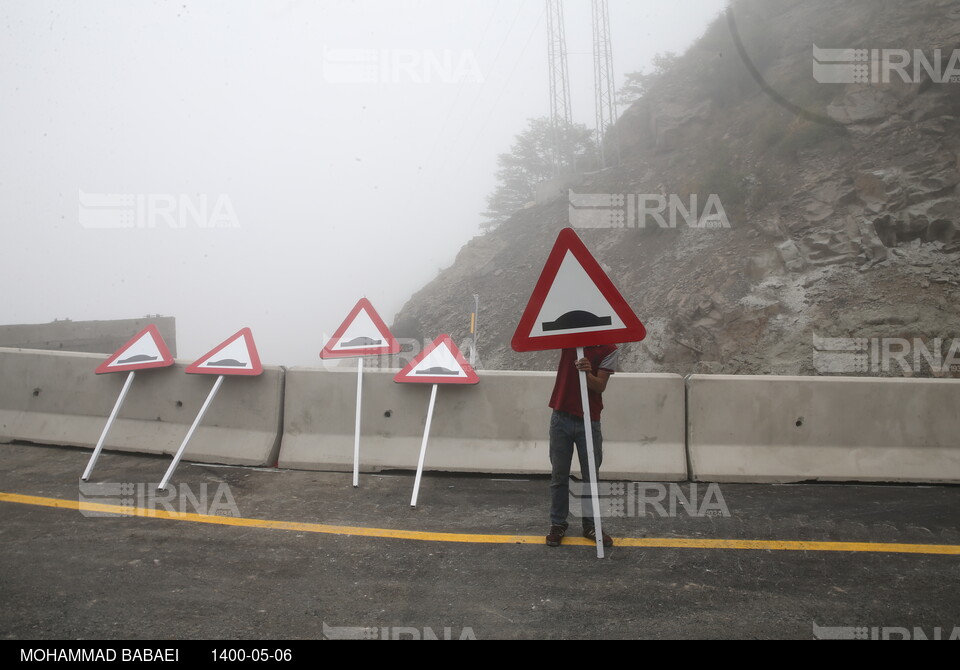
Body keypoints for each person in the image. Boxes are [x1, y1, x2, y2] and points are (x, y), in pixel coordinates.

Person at [545, 344, 618, 547]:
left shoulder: (609, 349)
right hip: (561, 417)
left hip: (589, 421)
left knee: (591, 477)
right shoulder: (570, 341)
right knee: (559, 476)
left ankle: (591, 525)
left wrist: (586, 373)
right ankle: (558, 524)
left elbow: (600, 386)